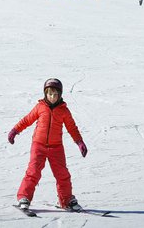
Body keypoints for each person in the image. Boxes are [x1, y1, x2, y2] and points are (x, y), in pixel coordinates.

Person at [8, 78, 87, 212]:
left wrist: (79, 142)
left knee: (63, 174)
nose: (52, 97)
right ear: (45, 94)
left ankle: (66, 200)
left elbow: (72, 128)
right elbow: (27, 120)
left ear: (60, 95)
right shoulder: (40, 107)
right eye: (50, 94)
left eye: (56, 95)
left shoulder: (64, 111)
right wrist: (15, 130)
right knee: (33, 172)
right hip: (38, 145)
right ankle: (24, 198)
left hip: (56, 147)